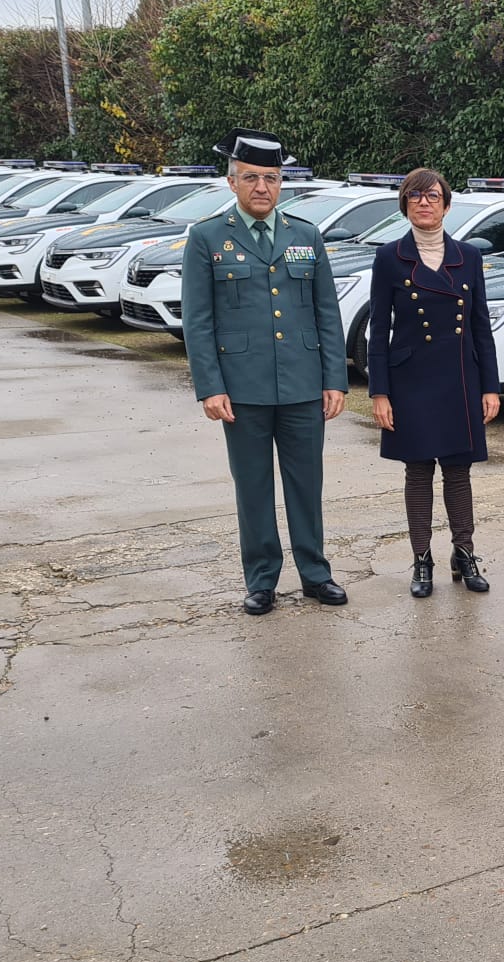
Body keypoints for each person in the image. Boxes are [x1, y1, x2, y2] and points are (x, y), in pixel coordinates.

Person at [181, 129, 348, 616]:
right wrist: (209, 387)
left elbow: (327, 315)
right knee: (253, 487)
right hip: (243, 391)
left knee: (306, 485)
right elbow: (198, 320)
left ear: (282, 185)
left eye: (271, 179)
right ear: (231, 183)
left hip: (301, 386)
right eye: (251, 178)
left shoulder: (306, 236)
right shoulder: (206, 238)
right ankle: (261, 581)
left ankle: (316, 574)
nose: (261, 188)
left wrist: (334, 379)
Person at [366, 168, 501, 597]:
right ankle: (421, 560)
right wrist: (380, 392)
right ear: (405, 204)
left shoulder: (469, 256)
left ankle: (464, 553)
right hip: (411, 380)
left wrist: (491, 386)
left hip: (461, 378)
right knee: (419, 471)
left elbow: (481, 327)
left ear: (446, 203)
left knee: (458, 472)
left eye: (433, 196)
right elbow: (377, 328)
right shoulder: (389, 257)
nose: (425, 203)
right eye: (416, 197)